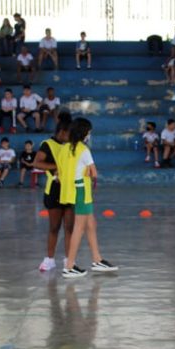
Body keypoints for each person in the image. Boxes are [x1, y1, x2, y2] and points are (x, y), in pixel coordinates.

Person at [59, 118, 118, 277]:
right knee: (79, 228)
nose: (89, 135)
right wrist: (87, 173)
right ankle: (69, 266)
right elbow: (94, 173)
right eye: (89, 132)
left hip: (72, 190)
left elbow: (61, 171)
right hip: (82, 190)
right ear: (84, 133)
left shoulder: (65, 148)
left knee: (91, 223)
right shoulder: (83, 150)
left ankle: (97, 259)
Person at [33, 114, 74, 272]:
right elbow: (37, 163)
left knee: (69, 227)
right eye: (69, 133)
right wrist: (56, 167)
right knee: (54, 227)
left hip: (69, 189)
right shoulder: (48, 144)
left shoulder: (71, 146)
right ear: (62, 132)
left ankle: (68, 260)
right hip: (54, 190)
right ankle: (49, 259)